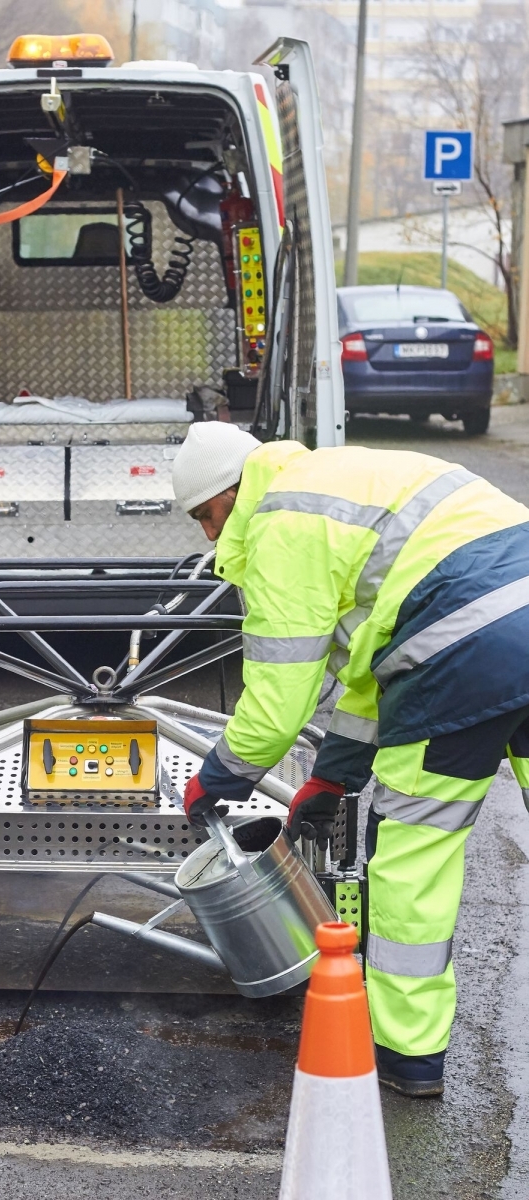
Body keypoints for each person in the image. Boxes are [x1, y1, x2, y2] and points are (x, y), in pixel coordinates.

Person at [174, 422, 529, 1098]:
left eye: (207, 516)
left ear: (231, 492)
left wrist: (218, 778)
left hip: (464, 642)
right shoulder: (341, 479)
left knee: (411, 856)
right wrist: (335, 774)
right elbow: (377, 665)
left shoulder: (281, 523)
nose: (210, 537)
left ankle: (409, 1055)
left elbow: (278, 698)